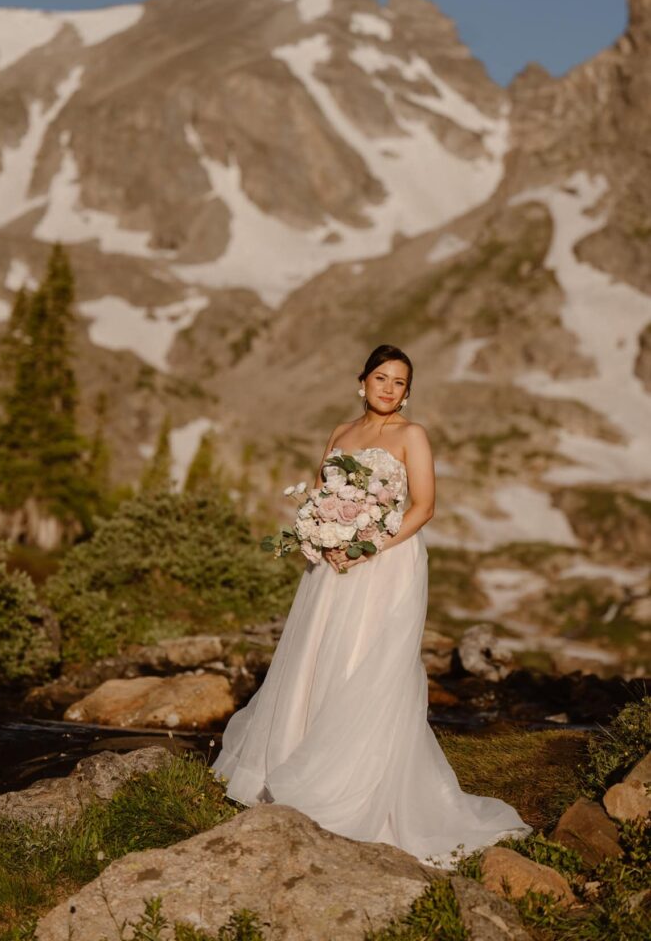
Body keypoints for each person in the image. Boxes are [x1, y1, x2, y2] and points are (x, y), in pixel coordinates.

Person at [211, 343, 532, 867]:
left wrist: (368, 545)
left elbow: (424, 507)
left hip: (385, 564)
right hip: (333, 567)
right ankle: (294, 770)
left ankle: (355, 788)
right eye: (380, 377)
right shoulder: (341, 433)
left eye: (399, 382)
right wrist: (319, 533)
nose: (388, 388)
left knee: (366, 663)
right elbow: (319, 493)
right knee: (316, 658)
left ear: (408, 393)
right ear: (361, 381)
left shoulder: (412, 437)